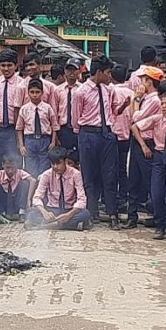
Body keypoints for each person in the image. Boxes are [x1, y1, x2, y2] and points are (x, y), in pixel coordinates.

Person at [72, 55, 121, 229]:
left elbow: (113, 111)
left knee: (109, 176)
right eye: (107, 72)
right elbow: (75, 119)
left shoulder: (109, 90)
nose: (110, 76)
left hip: (106, 134)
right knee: (89, 175)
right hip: (88, 134)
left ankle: (112, 213)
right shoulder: (81, 92)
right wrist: (82, 137)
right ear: (99, 72)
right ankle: (92, 212)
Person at [133, 90, 166, 241]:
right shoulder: (156, 119)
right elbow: (135, 127)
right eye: (162, 103)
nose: (164, 106)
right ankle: (160, 225)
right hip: (159, 155)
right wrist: (143, 146)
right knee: (157, 192)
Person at [123, 67, 164, 229]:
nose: (140, 83)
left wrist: (136, 100)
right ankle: (132, 215)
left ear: (149, 81)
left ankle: (157, 216)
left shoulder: (153, 100)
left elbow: (136, 117)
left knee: (148, 181)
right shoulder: (147, 98)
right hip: (138, 140)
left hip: (147, 142)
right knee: (133, 178)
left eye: (143, 80)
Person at [25, 147, 91, 230]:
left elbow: (82, 200)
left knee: (85, 214)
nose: (55, 166)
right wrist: (44, 212)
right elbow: (37, 197)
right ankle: (69, 225)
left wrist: (69, 215)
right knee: (31, 213)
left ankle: (49, 225)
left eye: (58, 163)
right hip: (52, 210)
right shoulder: (46, 175)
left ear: (65, 162)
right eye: (53, 164)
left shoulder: (76, 174)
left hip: (69, 209)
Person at [16, 78, 58, 177]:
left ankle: (43, 190)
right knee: (30, 169)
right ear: (28, 93)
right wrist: (21, 145)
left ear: (42, 93)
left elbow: (54, 126)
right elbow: (19, 128)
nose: (35, 95)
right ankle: (32, 191)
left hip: (45, 140)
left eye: (37, 92)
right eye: (32, 92)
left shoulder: (47, 108)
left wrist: (52, 142)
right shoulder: (24, 109)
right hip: (30, 140)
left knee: (45, 168)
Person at [0, 49, 22, 171]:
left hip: (13, 130)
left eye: (9, 65)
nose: (6, 69)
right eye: (3, 65)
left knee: (13, 162)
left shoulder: (21, 84)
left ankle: (15, 189)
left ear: (16, 66)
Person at [0, 154, 36, 221]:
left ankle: (21, 212)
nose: (10, 171)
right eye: (7, 167)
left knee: (24, 183)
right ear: (3, 165)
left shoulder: (20, 172)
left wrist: (29, 199)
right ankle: (3, 213)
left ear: (17, 166)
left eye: (13, 168)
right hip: (4, 201)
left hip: (16, 199)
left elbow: (33, 180)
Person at [110, 64, 133, 212]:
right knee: (122, 168)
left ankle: (111, 199)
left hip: (113, 134)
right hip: (127, 134)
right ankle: (123, 196)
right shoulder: (132, 93)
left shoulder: (110, 91)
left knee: (111, 168)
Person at [13, 52, 56, 126]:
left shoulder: (50, 87)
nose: (28, 68)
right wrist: (19, 132)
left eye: (31, 64)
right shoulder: (21, 87)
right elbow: (17, 110)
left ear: (39, 65)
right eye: (26, 66)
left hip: (45, 129)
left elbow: (53, 109)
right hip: (27, 130)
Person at [53, 58, 82, 152]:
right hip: (63, 129)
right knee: (64, 156)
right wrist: (55, 134)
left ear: (79, 71)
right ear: (65, 71)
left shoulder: (83, 89)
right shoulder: (58, 90)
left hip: (79, 128)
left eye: (74, 69)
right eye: (69, 69)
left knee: (80, 156)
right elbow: (54, 111)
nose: (71, 72)